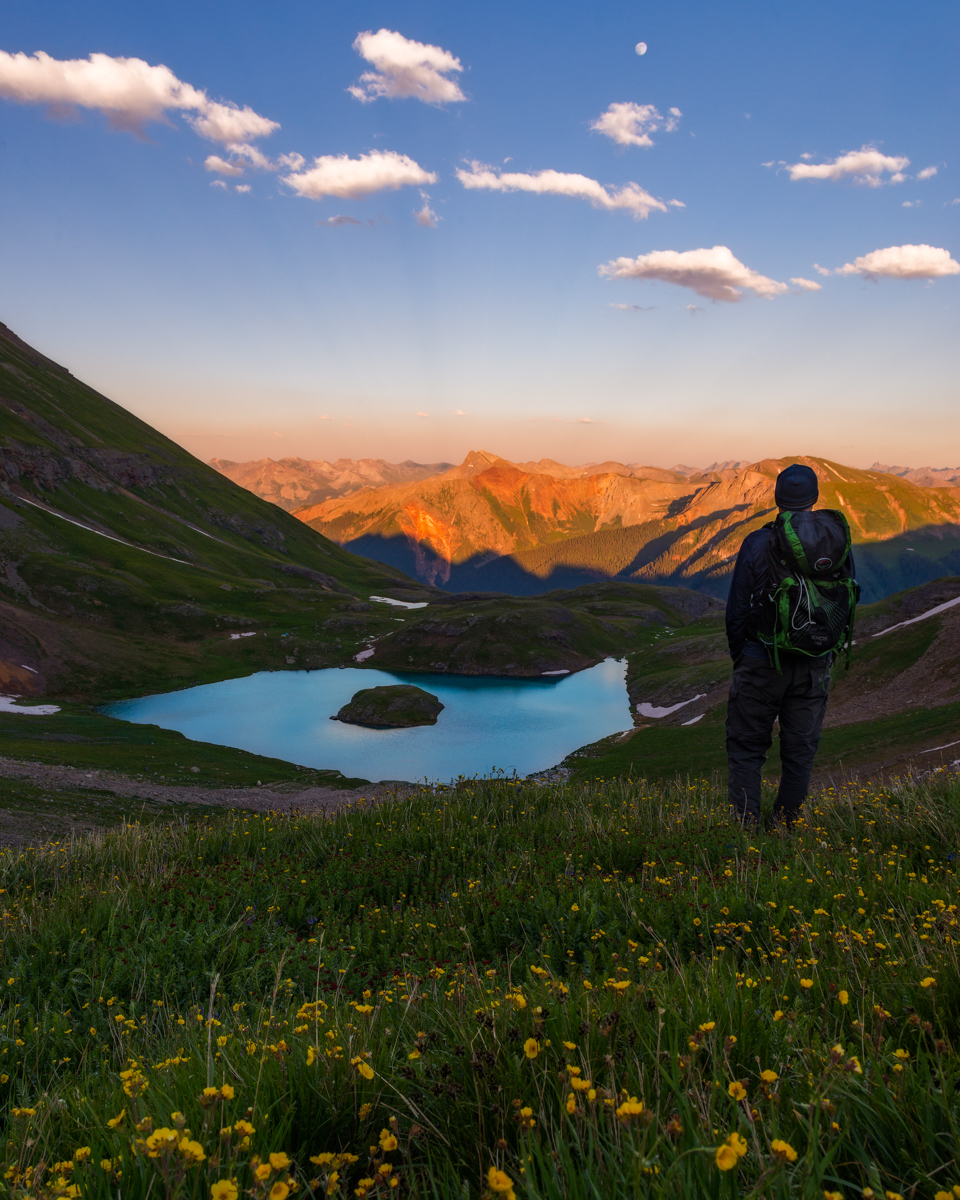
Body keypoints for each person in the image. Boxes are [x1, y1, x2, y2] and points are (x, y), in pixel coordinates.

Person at [724, 463, 855, 829]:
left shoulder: (757, 542)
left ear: (777, 499)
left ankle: (746, 833)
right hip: (814, 664)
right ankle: (784, 827)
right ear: (814, 499)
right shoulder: (836, 541)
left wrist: (744, 658)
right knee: (800, 753)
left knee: (747, 750)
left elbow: (736, 612)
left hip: (761, 660)